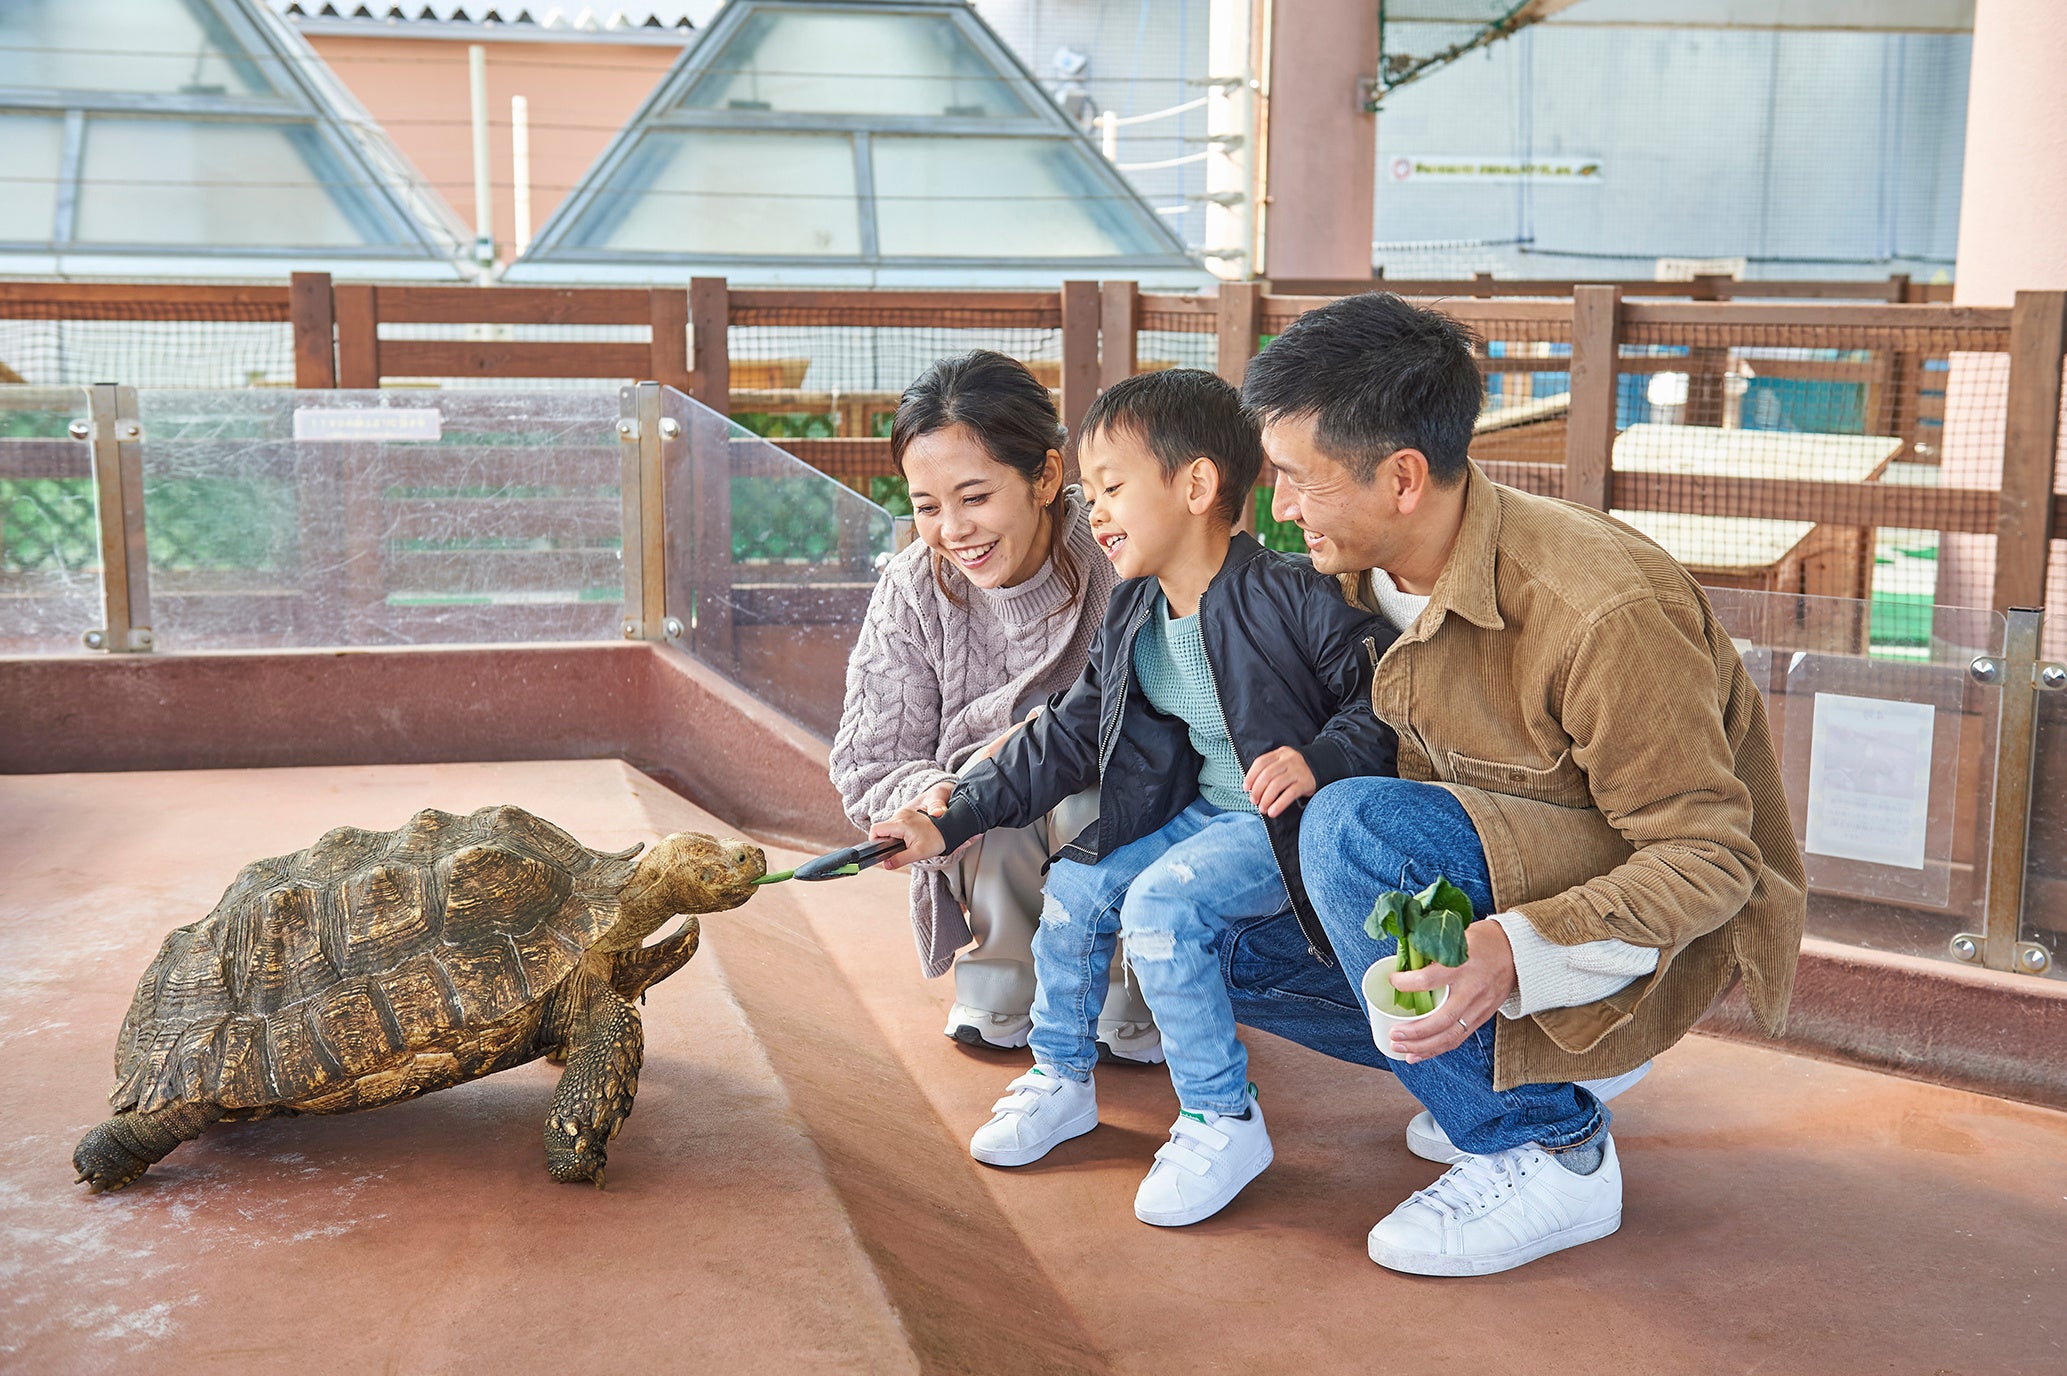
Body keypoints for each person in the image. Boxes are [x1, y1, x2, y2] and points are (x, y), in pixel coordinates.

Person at [1208, 291, 1805, 1276]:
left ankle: (1547, 1143)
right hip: (1480, 873)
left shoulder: (1597, 606)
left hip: (1635, 923)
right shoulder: (1339, 578)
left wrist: (1509, 949)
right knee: (1218, 941)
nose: (1279, 506)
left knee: (1354, 830)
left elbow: (1711, 863)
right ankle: (1518, 1060)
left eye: (1295, 479)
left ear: (1403, 477)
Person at [872, 369, 1399, 1228]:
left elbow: (1385, 694)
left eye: (1110, 489)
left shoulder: (1290, 595)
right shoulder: (1135, 611)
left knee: (1159, 909)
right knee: (1077, 886)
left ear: (1196, 486)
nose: (1097, 513)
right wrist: (946, 818)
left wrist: (1317, 758)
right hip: (1202, 814)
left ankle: (1220, 1117)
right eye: (1089, 493)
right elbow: (1068, 732)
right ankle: (1061, 1078)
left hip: (1280, 826)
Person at [830, 350, 1160, 1062]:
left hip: (1114, 795)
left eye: (975, 497)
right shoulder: (913, 589)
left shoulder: (1121, 556)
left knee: (1082, 805)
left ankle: (1128, 990)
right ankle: (1003, 978)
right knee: (990, 804)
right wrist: (933, 792)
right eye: (926, 506)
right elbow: (868, 761)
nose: (952, 530)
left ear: (1045, 476)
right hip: (980, 830)